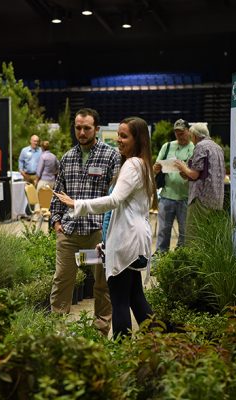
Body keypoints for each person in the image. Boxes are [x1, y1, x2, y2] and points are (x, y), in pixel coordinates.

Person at [55, 116, 158, 339]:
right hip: (132, 238)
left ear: (137, 139)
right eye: (118, 135)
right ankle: (162, 343)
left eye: (124, 136)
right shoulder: (142, 163)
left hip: (126, 241)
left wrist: (77, 204)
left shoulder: (132, 164)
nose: (119, 140)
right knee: (135, 299)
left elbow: (113, 201)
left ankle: (121, 355)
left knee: (120, 300)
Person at [49, 108, 120, 337]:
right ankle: (57, 331)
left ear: (96, 129)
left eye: (87, 128)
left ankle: (100, 330)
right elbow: (57, 193)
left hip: (97, 232)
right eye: (78, 127)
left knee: (102, 284)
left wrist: (110, 229)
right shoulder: (67, 157)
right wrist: (56, 222)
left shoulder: (111, 156)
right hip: (69, 232)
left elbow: (117, 195)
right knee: (62, 281)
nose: (82, 132)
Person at [174, 122, 226, 243]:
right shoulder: (217, 147)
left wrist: (182, 167)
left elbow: (195, 174)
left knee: (194, 237)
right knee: (208, 237)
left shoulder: (201, 146)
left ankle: (194, 262)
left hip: (201, 198)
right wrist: (186, 172)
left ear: (195, 135)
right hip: (216, 200)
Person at [153, 119, 194, 253]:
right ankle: (159, 260)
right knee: (163, 232)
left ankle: (180, 260)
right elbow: (156, 166)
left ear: (188, 131)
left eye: (181, 132)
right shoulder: (167, 146)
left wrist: (186, 173)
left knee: (185, 233)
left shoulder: (195, 148)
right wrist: (157, 168)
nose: (179, 135)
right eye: (176, 133)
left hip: (186, 197)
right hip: (166, 195)